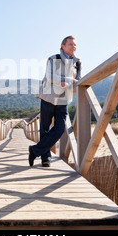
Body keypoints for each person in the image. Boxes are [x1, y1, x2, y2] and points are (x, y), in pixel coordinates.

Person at [29, 36, 81, 167]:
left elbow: (78, 80)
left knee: (60, 128)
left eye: (75, 45)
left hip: (64, 98)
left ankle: (34, 150)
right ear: (63, 46)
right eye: (70, 44)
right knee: (45, 128)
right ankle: (45, 158)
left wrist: (66, 81)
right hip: (48, 96)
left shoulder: (78, 63)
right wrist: (68, 80)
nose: (73, 47)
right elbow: (51, 77)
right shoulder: (53, 59)